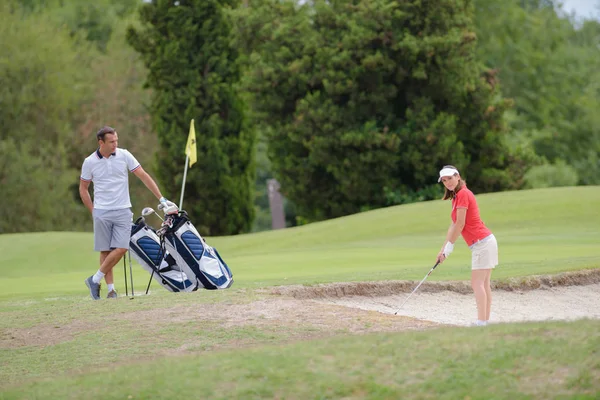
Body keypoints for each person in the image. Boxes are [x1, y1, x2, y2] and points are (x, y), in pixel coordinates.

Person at [79, 126, 177, 300]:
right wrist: (93, 211)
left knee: (122, 248)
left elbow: (143, 175)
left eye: (116, 140)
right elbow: (83, 188)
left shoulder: (124, 155)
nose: (115, 144)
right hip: (102, 211)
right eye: (111, 142)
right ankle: (111, 291)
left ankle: (94, 279)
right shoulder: (90, 162)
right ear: (100, 142)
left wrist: (161, 199)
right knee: (105, 251)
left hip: (123, 209)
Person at [435, 165, 498, 326]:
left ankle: (482, 322)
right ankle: (484, 322)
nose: (447, 182)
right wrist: (444, 248)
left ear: (458, 176)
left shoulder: (463, 193)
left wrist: (450, 246)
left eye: (450, 178)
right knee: (483, 284)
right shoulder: (456, 196)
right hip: (484, 242)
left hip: (482, 243)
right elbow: (453, 225)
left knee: (477, 283)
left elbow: (460, 224)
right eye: (444, 180)